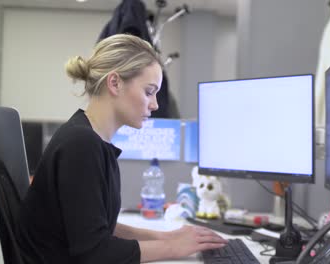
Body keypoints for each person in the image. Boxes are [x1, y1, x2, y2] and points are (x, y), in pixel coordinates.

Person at [16, 34, 227, 264]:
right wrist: (171, 247)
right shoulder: (81, 145)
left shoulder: (89, 138)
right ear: (115, 83)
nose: (155, 104)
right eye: (149, 91)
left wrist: (165, 237)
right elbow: (95, 252)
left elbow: (98, 228)